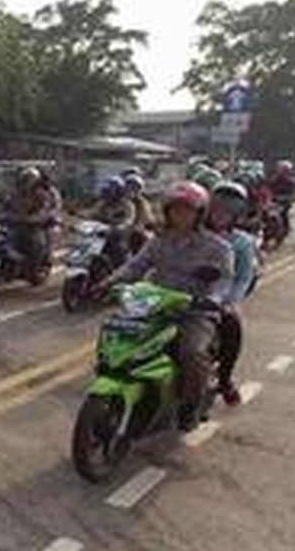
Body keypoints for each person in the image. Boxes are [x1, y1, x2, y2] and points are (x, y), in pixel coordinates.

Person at [106, 181, 235, 430]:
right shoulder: (158, 241)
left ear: (199, 214)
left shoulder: (218, 247)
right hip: (154, 306)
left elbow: (225, 281)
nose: (180, 215)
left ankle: (190, 407)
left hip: (194, 311)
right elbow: (136, 266)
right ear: (167, 212)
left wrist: (213, 299)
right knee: (118, 332)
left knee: (193, 353)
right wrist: (108, 282)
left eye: (187, 210)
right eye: (175, 209)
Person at [206, 182, 259, 407]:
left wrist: (230, 302)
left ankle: (225, 379)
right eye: (217, 206)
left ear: (237, 213)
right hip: (185, 292)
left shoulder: (242, 242)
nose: (221, 213)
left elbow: (243, 277)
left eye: (228, 209)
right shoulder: (193, 232)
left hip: (223, 296)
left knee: (232, 324)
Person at [2, 165, 60, 265]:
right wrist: (7, 216)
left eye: (30, 180)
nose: (27, 183)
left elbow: (46, 211)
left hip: (37, 227)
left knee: (39, 240)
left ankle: (40, 263)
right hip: (17, 225)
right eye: (25, 180)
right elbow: (6, 207)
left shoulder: (43, 194)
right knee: (5, 237)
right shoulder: (15, 193)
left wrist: (36, 218)